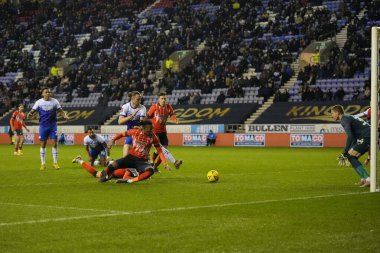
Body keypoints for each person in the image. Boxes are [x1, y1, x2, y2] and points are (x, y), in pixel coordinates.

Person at [100, 120, 170, 184]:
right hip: (130, 158)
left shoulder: (153, 137)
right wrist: (113, 140)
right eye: (149, 131)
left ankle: (129, 180)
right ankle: (107, 177)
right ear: (142, 128)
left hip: (142, 162)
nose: (151, 132)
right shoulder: (135, 131)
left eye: (152, 130)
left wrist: (165, 163)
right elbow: (121, 134)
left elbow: (159, 151)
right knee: (111, 166)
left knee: (150, 171)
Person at [27, 87, 69, 170]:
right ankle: (43, 164)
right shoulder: (39, 102)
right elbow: (33, 110)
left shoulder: (55, 101)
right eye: (46, 92)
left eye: (49, 92)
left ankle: (55, 163)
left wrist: (64, 115)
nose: (48, 93)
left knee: (54, 143)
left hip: (53, 125)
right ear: (42, 94)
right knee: (43, 144)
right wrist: (29, 114)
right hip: (43, 126)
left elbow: (60, 110)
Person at [331, 105, 371, 187]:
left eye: (332, 113)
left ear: (337, 113)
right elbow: (353, 137)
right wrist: (346, 152)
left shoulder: (344, 120)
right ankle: (363, 179)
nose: (331, 115)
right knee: (351, 156)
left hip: (367, 136)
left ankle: (368, 179)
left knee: (351, 156)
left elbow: (350, 136)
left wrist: (344, 151)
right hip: (366, 135)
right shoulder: (347, 117)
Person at [147, 92, 182, 172]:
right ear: (159, 99)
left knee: (160, 150)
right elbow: (147, 116)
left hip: (163, 132)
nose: (163, 100)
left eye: (164, 98)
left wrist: (175, 120)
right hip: (155, 132)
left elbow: (172, 115)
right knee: (161, 149)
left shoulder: (168, 107)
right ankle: (174, 162)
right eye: (162, 98)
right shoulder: (154, 107)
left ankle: (155, 166)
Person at [118, 91, 146, 157]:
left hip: (139, 132)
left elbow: (142, 122)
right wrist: (131, 116)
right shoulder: (125, 107)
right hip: (130, 131)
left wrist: (140, 126)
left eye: (140, 99)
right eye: (138, 99)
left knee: (139, 155)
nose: (139, 101)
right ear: (132, 99)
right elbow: (120, 121)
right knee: (126, 153)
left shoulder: (142, 108)